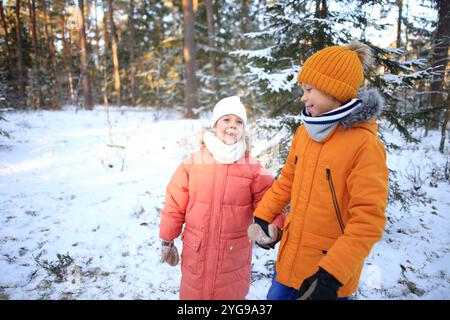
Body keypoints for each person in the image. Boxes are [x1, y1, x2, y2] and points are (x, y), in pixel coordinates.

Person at [247, 41, 389, 300]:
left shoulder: (364, 145)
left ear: (333, 89)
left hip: (324, 278)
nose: (303, 97)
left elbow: (368, 219)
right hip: (288, 263)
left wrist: (332, 274)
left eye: (309, 89)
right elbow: (287, 181)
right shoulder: (304, 133)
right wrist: (262, 216)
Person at [159, 96, 285, 300]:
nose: (232, 126)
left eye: (238, 122)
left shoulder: (253, 168)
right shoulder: (193, 163)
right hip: (196, 250)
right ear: (215, 125)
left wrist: (271, 230)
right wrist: (167, 238)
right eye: (226, 120)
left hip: (233, 255)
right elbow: (175, 202)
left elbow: (270, 201)